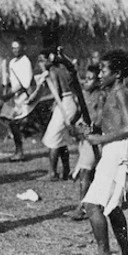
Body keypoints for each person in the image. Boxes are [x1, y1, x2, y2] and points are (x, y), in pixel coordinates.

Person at [79, 49, 128, 255]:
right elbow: (114, 124)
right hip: (113, 148)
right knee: (112, 206)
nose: (100, 74)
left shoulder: (122, 93)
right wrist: (93, 131)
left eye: (104, 70)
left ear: (118, 73)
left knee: (93, 205)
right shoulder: (112, 93)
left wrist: (100, 139)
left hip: (118, 149)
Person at [65, 63, 106, 221]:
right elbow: (80, 111)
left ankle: (83, 207)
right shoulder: (84, 94)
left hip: (95, 138)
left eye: (90, 79)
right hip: (86, 138)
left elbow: (98, 121)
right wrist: (72, 122)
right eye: (85, 79)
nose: (86, 82)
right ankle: (92, 202)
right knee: (89, 172)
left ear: (97, 82)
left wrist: (85, 129)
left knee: (85, 171)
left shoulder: (99, 96)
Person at [37, 48, 78, 181]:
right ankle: (65, 170)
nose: (40, 63)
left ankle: (52, 173)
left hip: (64, 104)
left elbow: (57, 92)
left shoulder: (53, 71)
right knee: (61, 138)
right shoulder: (62, 68)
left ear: (49, 59)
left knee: (52, 138)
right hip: (68, 102)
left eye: (41, 60)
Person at [0, 37, 36, 162]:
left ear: (23, 47)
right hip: (14, 97)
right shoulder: (12, 62)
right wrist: (6, 90)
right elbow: (11, 81)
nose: (15, 50)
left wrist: (8, 95)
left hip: (22, 97)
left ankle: (19, 152)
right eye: (13, 48)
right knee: (12, 123)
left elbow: (24, 84)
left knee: (15, 123)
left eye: (17, 47)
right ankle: (18, 150)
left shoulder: (25, 62)